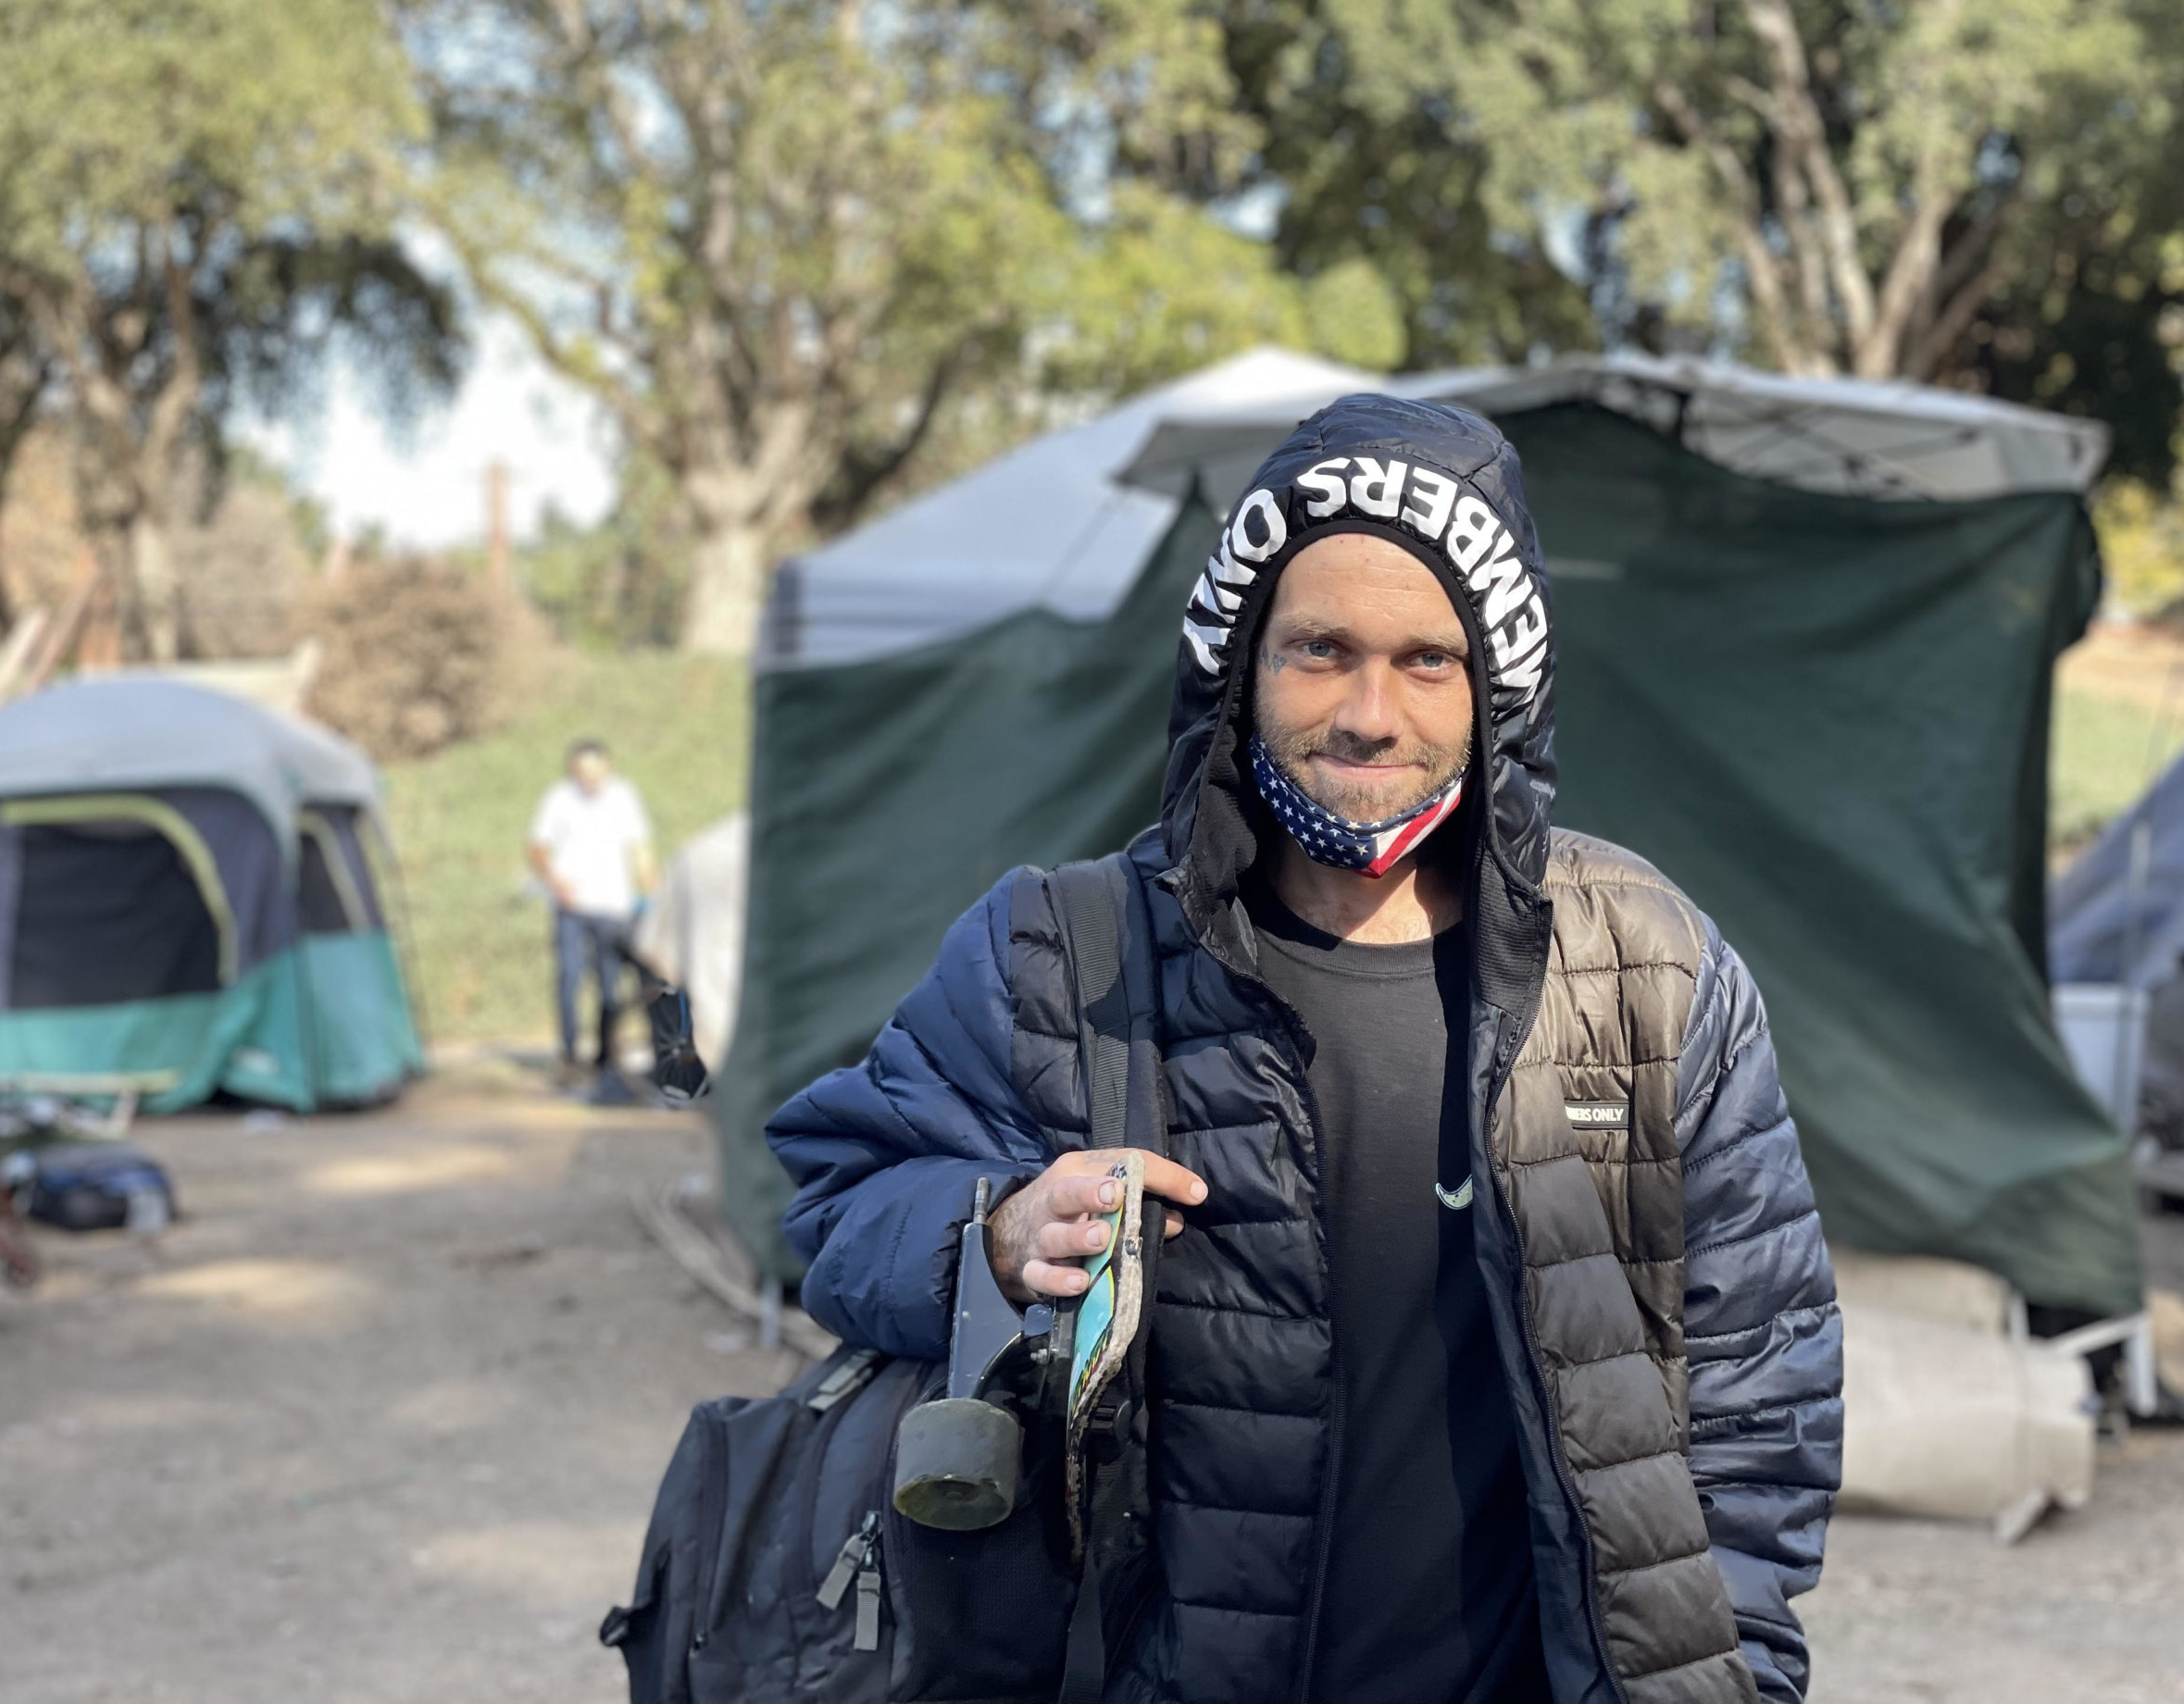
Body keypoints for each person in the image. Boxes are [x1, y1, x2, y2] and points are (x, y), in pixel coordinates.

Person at [770, 395, 1842, 1703]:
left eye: (1427, 660)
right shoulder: (1063, 955)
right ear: (1238, 661)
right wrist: (989, 1237)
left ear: (1500, 681)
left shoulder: (1643, 970)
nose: (1369, 712)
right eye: (1320, 649)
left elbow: (1761, 1393)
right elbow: (836, 1194)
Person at [528, 739, 655, 1093]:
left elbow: (640, 848)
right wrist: (556, 882)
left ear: (609, 768)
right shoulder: (559, 797)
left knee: (610, 984)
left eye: (596, 772)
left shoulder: (624, 797)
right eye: (582, 772)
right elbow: (537, 848)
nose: (589, 779)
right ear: (573, 772)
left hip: (614, 907)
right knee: (569, 979)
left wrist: (649, 892)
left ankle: (604, 1058)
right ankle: (569, 1056)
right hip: (571, 907)